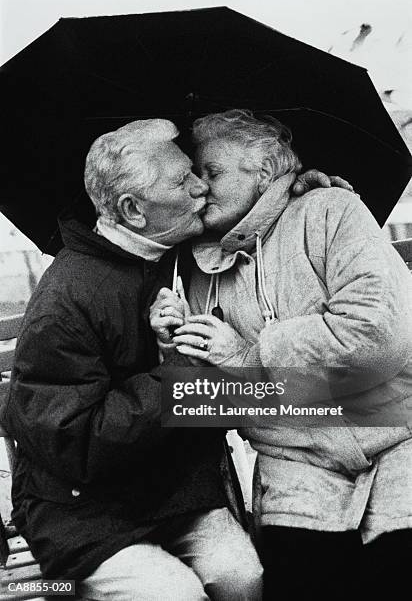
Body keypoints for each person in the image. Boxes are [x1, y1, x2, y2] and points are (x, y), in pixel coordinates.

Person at [152, 109, 412, 599]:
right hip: (295, 465)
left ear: (266, 171)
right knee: (301, 582)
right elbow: (203, 403)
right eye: (193, 175)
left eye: (212, 172)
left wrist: (252, 358)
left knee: (397, 570)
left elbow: (377, 337)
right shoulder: (190, 269)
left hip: (398, 440)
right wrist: (172, 351)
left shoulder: (330, 210)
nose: (200, 188)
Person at [2, 119, 264, 600]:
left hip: (172, 493)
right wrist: (175, 375)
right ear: (133, 210)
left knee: (243, 577)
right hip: (82, 511)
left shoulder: (174, 256)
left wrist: (302, 190)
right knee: (175, 594)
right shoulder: (67, 298)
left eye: (195, 173)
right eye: (181, 181)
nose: (200, 186)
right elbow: (72, 442)